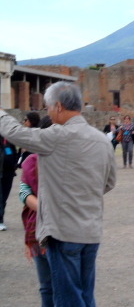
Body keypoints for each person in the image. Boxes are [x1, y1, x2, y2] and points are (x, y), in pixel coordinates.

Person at [0, 81, 116, 306]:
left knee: (67, 299)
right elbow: (109, 182)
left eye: (48, 107)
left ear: (59, 106)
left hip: (63, 232)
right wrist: (82, 192)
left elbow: (15, 133)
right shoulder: (101, 140)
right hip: (90, 230)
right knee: (85, 295)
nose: (48, 113)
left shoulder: (57, 136)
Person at [18, 115, 53, 306]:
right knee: (47, 285)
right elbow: (23, 192)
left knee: (60, 284)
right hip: (38, 230)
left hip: (54, 229)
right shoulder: (32, 161)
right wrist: (46, 208)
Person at [0, 135, 18, 231]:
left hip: (8, 172)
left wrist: (14, 164)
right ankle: (0, 220)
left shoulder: (9, 140)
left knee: (4, 197)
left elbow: (14, 152)